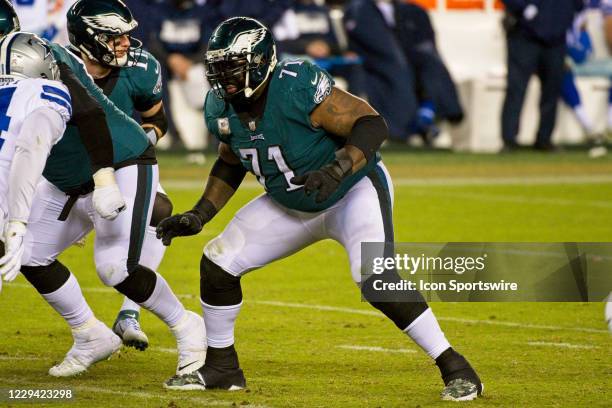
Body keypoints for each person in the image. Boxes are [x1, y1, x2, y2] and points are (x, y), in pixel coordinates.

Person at [157, 17, 483, 401]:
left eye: (233, 67)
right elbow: (231, 160)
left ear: (260, 62)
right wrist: (201, 214)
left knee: (376, 279)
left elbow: (371, 124)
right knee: (217, 264)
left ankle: (456, 367)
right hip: (292, 204)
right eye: (218, 68)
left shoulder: (296, 84)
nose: (223, 78)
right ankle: (222, 368)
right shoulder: (220, 106)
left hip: (351, 192)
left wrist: (337, 168)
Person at [0, 0, 206, 377]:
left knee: (114, 267)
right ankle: (90, 334)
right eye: (116, 35)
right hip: (64, 175)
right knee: (27, 255)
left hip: (121, 157)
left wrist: (105, 178)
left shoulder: (35, 56)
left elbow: (89, 113)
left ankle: (186, 325)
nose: (126, 43)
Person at [66, 0, 173, 351]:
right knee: (22, 249)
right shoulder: (56, 68)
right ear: (88, 39)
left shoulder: (140, 68)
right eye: (116, 37)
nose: (127, 43)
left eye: (127, 34)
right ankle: (85, 328)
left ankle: (130, 312)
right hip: (62, 168)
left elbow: (157, 121)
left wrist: (137, 145)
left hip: (121, 166)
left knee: (159, 210)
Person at [500, 0, 584, 151]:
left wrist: (566, 15)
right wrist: (523, 9)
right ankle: (509, 140)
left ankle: (544, 139)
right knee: (516, 89)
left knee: (552, 89)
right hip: (523, 35)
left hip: (556, 38)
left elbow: (578, 4)